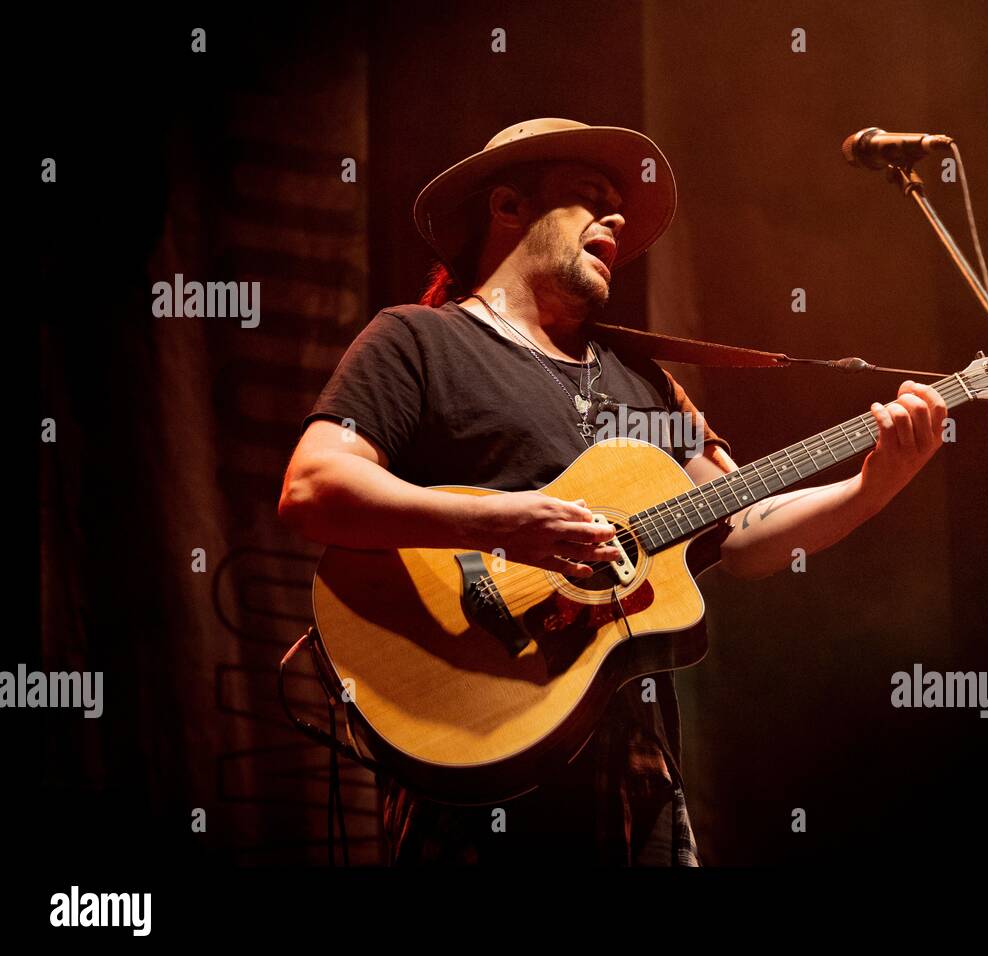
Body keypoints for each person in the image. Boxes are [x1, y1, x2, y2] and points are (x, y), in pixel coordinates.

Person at [278, 118, 947, 866]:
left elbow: (747, 530)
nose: (619, 219)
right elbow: (315, 486)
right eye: (588, 198)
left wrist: (871, 487)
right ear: (507, 208)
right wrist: (502, 523)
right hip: (474, 743)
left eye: (619, 206)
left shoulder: (647, 382)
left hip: (635, 768)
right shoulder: (418, 341)